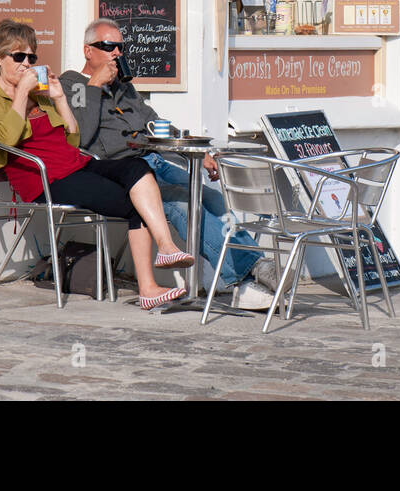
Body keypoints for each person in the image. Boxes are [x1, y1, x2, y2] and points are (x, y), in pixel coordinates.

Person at [0, 20, 194, 310]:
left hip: (76, 164)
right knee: (131, 203)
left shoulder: (41, 97)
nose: (26, 64)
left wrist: (60, 98)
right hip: (44, 180)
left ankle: (166, 248)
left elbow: (74, 137)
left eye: (31, 58)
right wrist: (22, 94)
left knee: (137, 167)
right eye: (19, 57)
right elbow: (8, 137)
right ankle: (148, 288)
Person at [61, 18, 281, 309]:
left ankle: (250, 270)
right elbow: (82, 137)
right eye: (108, 46)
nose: (116, 53)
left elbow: (156, 123)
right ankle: (247, 276)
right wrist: (95, 85)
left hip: (154, 160)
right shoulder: (72, 83)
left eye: (120, 47)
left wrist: (193, 151)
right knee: (181, 206)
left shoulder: (125, 88)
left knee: (210, 197)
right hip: (123, 171)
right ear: (88, 50)